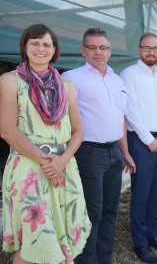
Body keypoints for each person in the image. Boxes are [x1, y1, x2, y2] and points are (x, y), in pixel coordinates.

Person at [0, 23, 90, 263]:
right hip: (29, 167)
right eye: (35, 43)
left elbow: (79, 131)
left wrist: (62, 161)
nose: (41, 49)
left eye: (46, 44)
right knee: (32, 243)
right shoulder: (10, 80)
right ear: (25, 47)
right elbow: (7, 130)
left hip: (64, 166)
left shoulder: (67, 86)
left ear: (54, 49)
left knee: (62, 246)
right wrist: (47, 163)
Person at [61, 28, 135, 264]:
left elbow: (121, 117)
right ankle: (87, 260)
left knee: (111, 210)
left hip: (114, 152)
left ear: (109, 51)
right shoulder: (72, 78)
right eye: (91, 47)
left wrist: (125, 152)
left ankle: (105, 258)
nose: (97, 52)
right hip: (88, 153)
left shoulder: (116, 80)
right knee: (91, 212)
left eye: (102, 47)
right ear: (83, 50)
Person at [120, 32, 157, 263]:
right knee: (141, 194)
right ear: (139, 49)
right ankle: (140, 243)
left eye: (156, 48)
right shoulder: (129, 74)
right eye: (147, 48)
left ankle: (153, 234)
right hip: (142, 143)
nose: (152, 52)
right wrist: (149, 140)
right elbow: (130, 111)